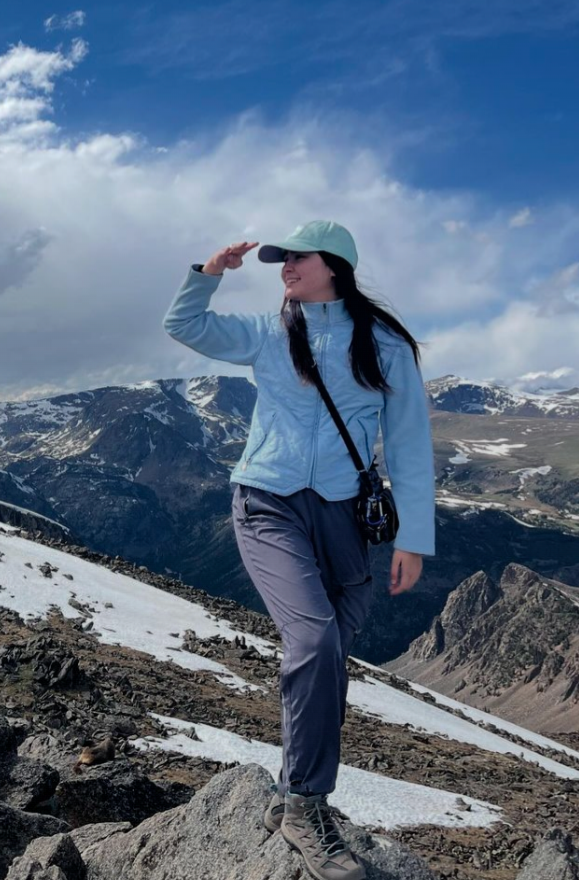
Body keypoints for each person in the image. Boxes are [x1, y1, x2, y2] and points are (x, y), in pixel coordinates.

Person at [162, 220, 435, 880]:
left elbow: (408, 443)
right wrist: (208, 274)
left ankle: (291, 790)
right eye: (280, 259)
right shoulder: (268, 331)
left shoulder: (386, 345)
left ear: (335, 265)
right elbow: (183, 325)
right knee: (313, 641)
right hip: (268, 501)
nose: (284, 266)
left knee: (331, 648)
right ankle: (307, 806)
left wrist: (414, 538)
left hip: (343, 513)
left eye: (297, 258)